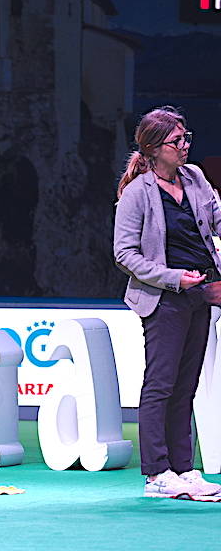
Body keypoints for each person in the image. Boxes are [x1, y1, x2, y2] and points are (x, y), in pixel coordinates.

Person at [114, 105, 221, 498]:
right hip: (163, 300)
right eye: (177, 141)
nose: (185, 146)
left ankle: (183, 468)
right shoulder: (137, 194)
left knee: (186, 386)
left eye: (186, 138)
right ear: (155, 147)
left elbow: (215, 223)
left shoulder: (194, 178)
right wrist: (173, 278)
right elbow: (124, 255)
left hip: (201, 294)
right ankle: (157, 473)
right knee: (160, 385)